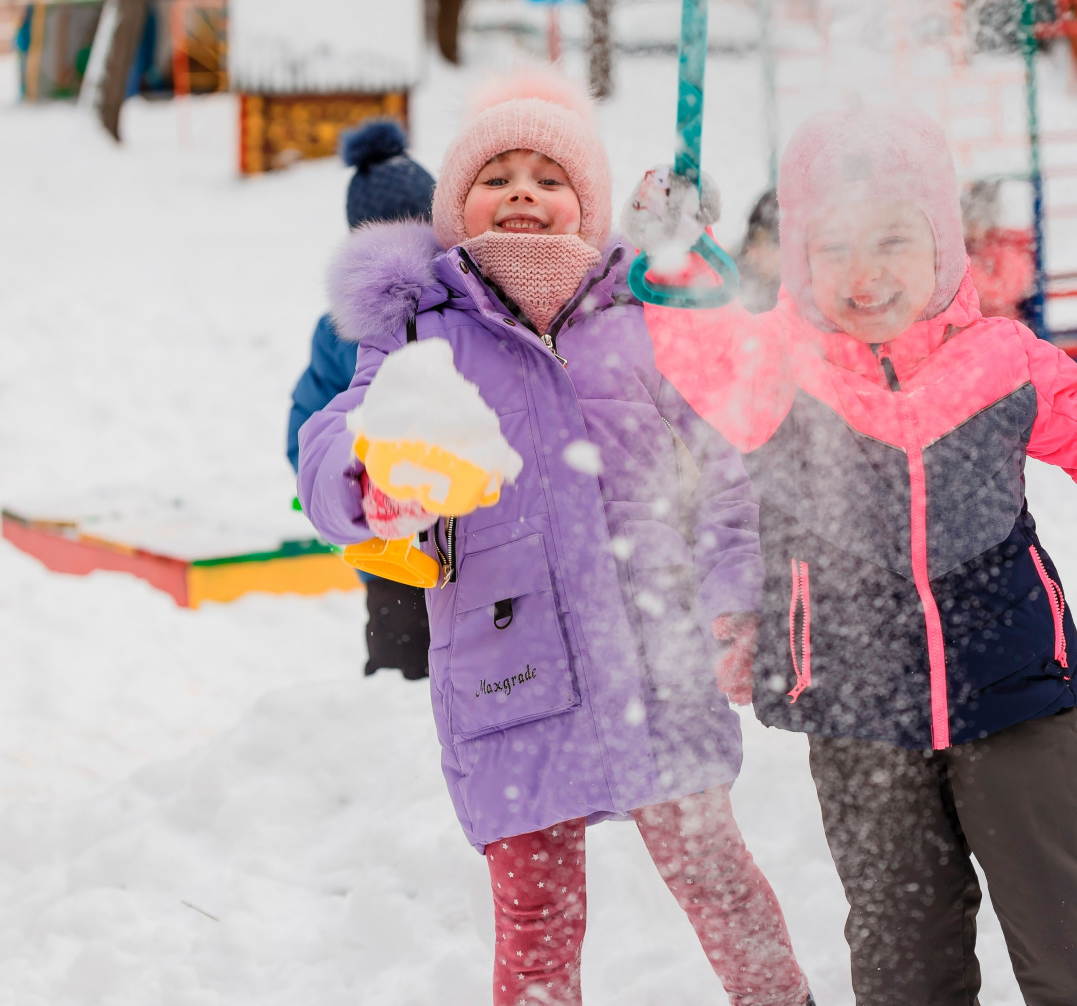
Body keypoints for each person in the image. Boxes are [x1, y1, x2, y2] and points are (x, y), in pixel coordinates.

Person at [625, 104, 1077, 1006]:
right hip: (858, 709)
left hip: (1015, 690)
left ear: (944, 244)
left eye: (894, 241)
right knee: (905, 957)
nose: (865, 275)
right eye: (832, 249)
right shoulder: (777, 372)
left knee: (1076, 934)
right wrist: (675, 254)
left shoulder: (1002, 364)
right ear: (797, 261)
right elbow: (700, 343)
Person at [296, 72, 811, 1006]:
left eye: (548, 175)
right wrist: (368, 482)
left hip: (657, 663)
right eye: (496, 176)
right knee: (536, 922)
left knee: (718, 881)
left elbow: (720, 485)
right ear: (455, 208)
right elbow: (335, 435)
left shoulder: (639, 326)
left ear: (589, 206)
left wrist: (735, 602)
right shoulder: (421, 335)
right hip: (510, 672)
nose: (524, 192)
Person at [288, 118, 437, 681]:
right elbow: (307, 424)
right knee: (402, 669)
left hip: (459, 533)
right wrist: (337, 485)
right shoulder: (343, 331)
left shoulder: (465, 305)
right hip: (390, 547)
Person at [960, 179, 1035, 321]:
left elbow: (998, 295)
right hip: (978, 328)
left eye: (971, 223)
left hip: (1000, 329)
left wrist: (965, 267)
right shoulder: (974, 250)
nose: (966, 231)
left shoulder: (1005, 251)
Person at [736, 188, 781, 313]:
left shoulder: (807, 303)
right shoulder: (735, 283)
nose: (754, 254)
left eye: (770, 243)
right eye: (753, 241)